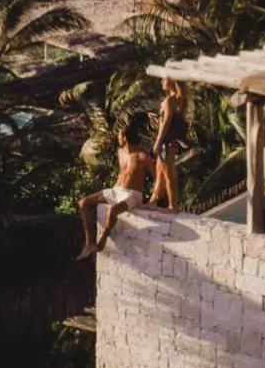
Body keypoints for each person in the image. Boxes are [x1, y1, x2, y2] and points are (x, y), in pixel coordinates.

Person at [78, 115, 154, 257]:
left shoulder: (143, 156)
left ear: (125, 137)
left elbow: (158, 178)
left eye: (119, 135)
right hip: (116, 190)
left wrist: (152, 201)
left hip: (132, 195)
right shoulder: (120, 153)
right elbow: (122, 174)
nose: (117, 138)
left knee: (112, 211)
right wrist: (112, 190)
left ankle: (103, 239)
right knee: (83, 203)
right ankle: (89, 243)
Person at [149, 77, 188, 210]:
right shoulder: (181, 99)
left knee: (167, 174)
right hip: (173, 141)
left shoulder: (169, 100)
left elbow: (166, 122)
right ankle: (152, 202)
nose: (161, 82)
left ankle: (173, 206)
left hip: (166, 141)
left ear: (171, 81)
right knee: (160, 173)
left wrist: (158, 142)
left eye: (163, 79)